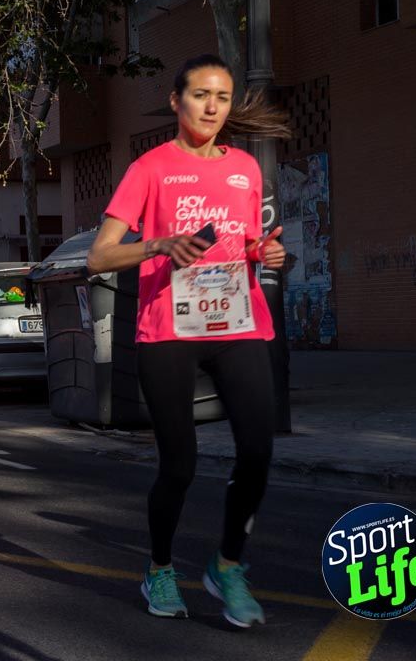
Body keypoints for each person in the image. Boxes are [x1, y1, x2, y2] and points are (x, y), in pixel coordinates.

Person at [87, 54, 289, 628]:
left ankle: (227, 564)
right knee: (180, 465)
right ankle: (158, 566)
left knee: (257, 450)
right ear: (176, 101)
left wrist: (267, 254)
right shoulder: (150, 168)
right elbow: (101, 255)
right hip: (168, 328)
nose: (212, 107)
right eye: (201, 95)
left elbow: (249, 242)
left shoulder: (245, 170)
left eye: (222, 98)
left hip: (239, 323)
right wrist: (157, 245)